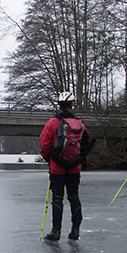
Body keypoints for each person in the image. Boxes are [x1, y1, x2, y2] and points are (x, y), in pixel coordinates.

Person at [40, 91, 92, 241]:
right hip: (74, 168)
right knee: (74, 197)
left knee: (57, 198)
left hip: (57, 167)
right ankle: (75, 230)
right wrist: (79, 160)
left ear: (59, 105)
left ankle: (56, 231)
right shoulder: (80, 124)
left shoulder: (53, 123)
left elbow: (44, 144)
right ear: (72, 105)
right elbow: (86, 145)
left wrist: (50, 159)